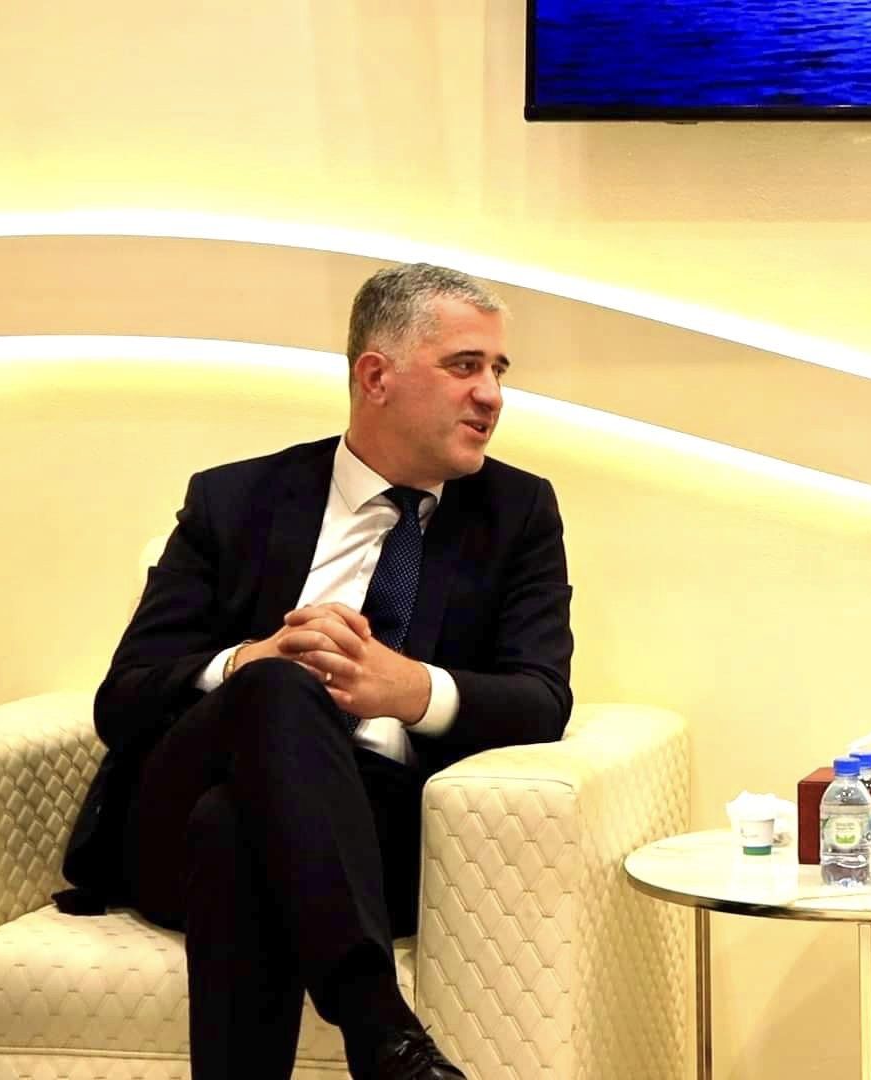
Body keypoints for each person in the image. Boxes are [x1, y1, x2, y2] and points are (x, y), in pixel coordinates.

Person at [58, 263, 574, 1080]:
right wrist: (247, 661)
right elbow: (122, 700)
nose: (492, 395)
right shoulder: (236, 500)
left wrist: (409, 690)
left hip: (373, 832)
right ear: (376, 376)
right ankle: (380, 1030)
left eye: (498, 370)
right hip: (170, 821)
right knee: (274, 688)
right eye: (465, 366)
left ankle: (380, 1037)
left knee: (238, 829)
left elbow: (543, 699)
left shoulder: (518, 514)